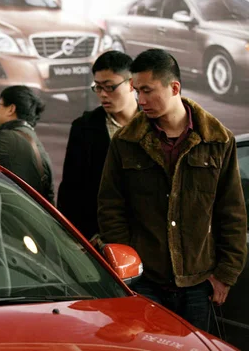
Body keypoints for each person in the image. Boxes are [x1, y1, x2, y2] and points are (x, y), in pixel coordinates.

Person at [97, 48, 247, 331]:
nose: (140, 100)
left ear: (174, 87)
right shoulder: (126, 141)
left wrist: (225, 275)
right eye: (136, 91)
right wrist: (129, 269)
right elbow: (110, 208)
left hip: (199, 282)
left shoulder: (217, 140)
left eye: (147, 91)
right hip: (145, 281)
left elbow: (232, 213)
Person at [57, 51, 138, 240]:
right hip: (98, 236)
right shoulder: (84, 128)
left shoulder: (153, 123)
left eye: (110, 87)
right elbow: (71, 189)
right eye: (98, 87)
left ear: (132, 84)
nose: (103, 95)